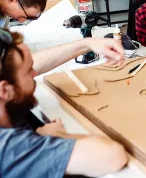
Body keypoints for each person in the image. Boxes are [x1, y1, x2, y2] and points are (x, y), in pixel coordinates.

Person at [0, 29, 129, 177]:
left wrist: (87, 44)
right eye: (29, 71)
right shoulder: (9, 148)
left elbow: (30, 65)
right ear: (5, 90)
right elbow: (111, 156)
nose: (36, 73)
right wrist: (57, 135)